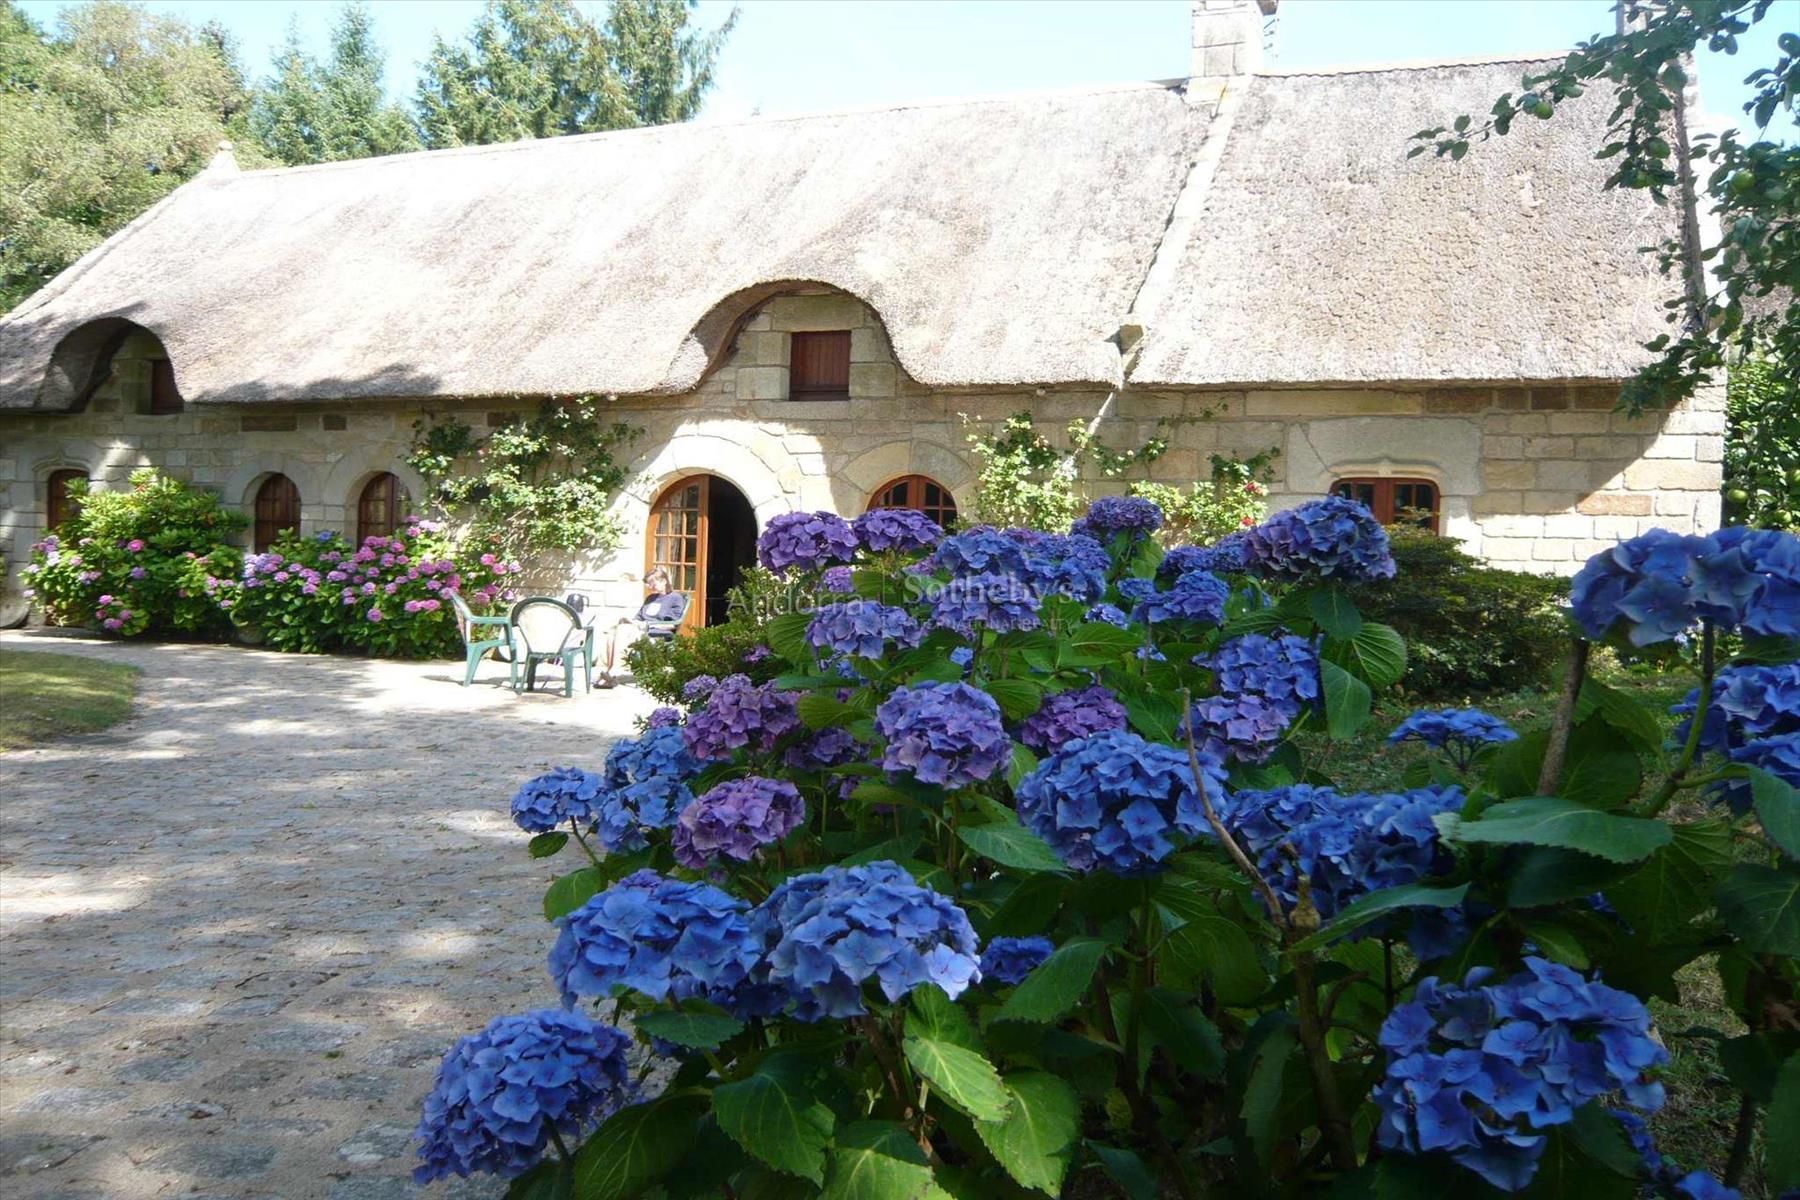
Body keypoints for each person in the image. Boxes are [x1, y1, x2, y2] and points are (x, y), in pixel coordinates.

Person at [596, 567, 684, 688]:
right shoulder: (651, 598)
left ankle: (613, 671)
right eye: (649, 584)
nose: (650, 586)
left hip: (657, 633)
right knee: (613, 633)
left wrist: (647, 625)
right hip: (640, 630)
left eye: (653, 583)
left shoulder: (675, 598)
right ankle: (610, 671)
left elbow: (672, 625)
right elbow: (639, 617)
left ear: (664, 581)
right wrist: (629, 620)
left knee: (623, 630)